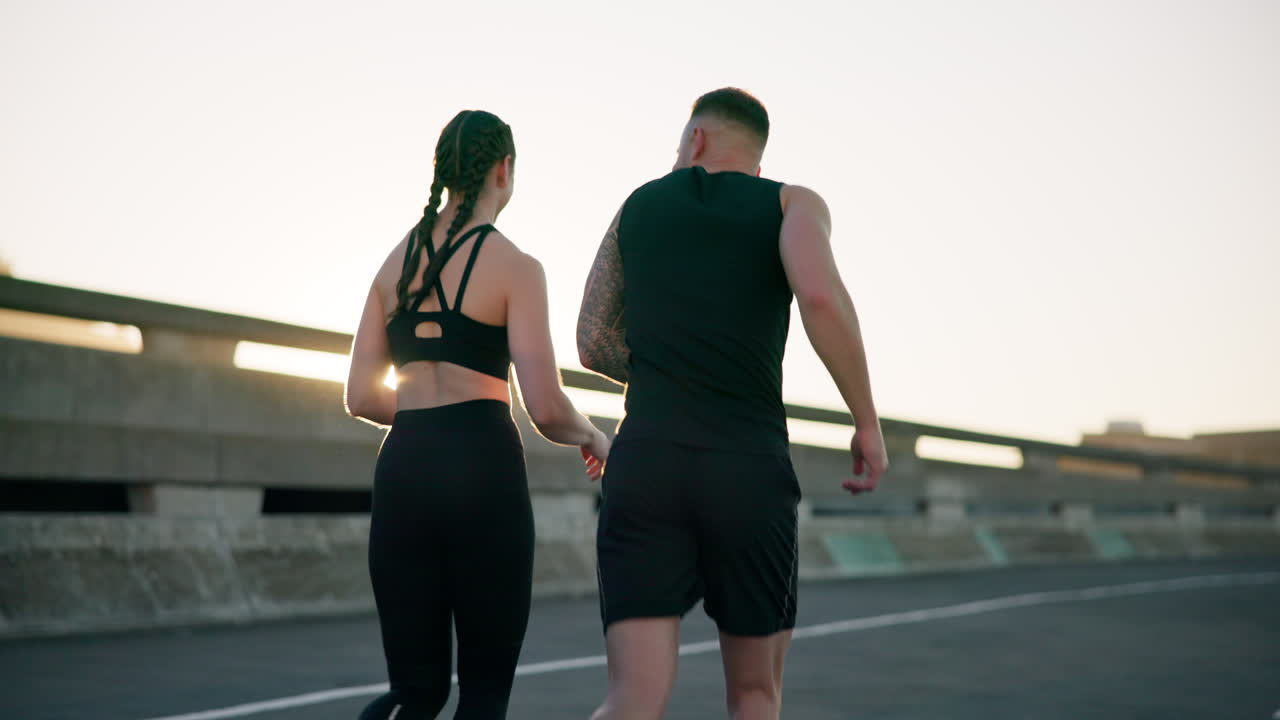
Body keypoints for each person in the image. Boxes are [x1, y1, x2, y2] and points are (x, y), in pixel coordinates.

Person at [576, 88, 888, 720]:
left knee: (632, 695)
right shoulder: (791, 203)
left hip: (647, 462)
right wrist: (865, 421)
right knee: (754, 695)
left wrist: (667, 372)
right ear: (758, 156)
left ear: (694, 139)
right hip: (746, 465)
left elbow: (592, 339)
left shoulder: (640, 204)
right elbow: (821, 299)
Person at [345, 109, 610, 720]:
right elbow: (545, 406)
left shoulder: (393, 267)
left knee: (416, 695)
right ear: (504, 170)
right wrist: (596, 435)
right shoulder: (517, 267)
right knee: (483, 696)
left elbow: (359, 396)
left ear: (442, 172)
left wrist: (421, 414)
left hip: (405, 467)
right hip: (482, 466)